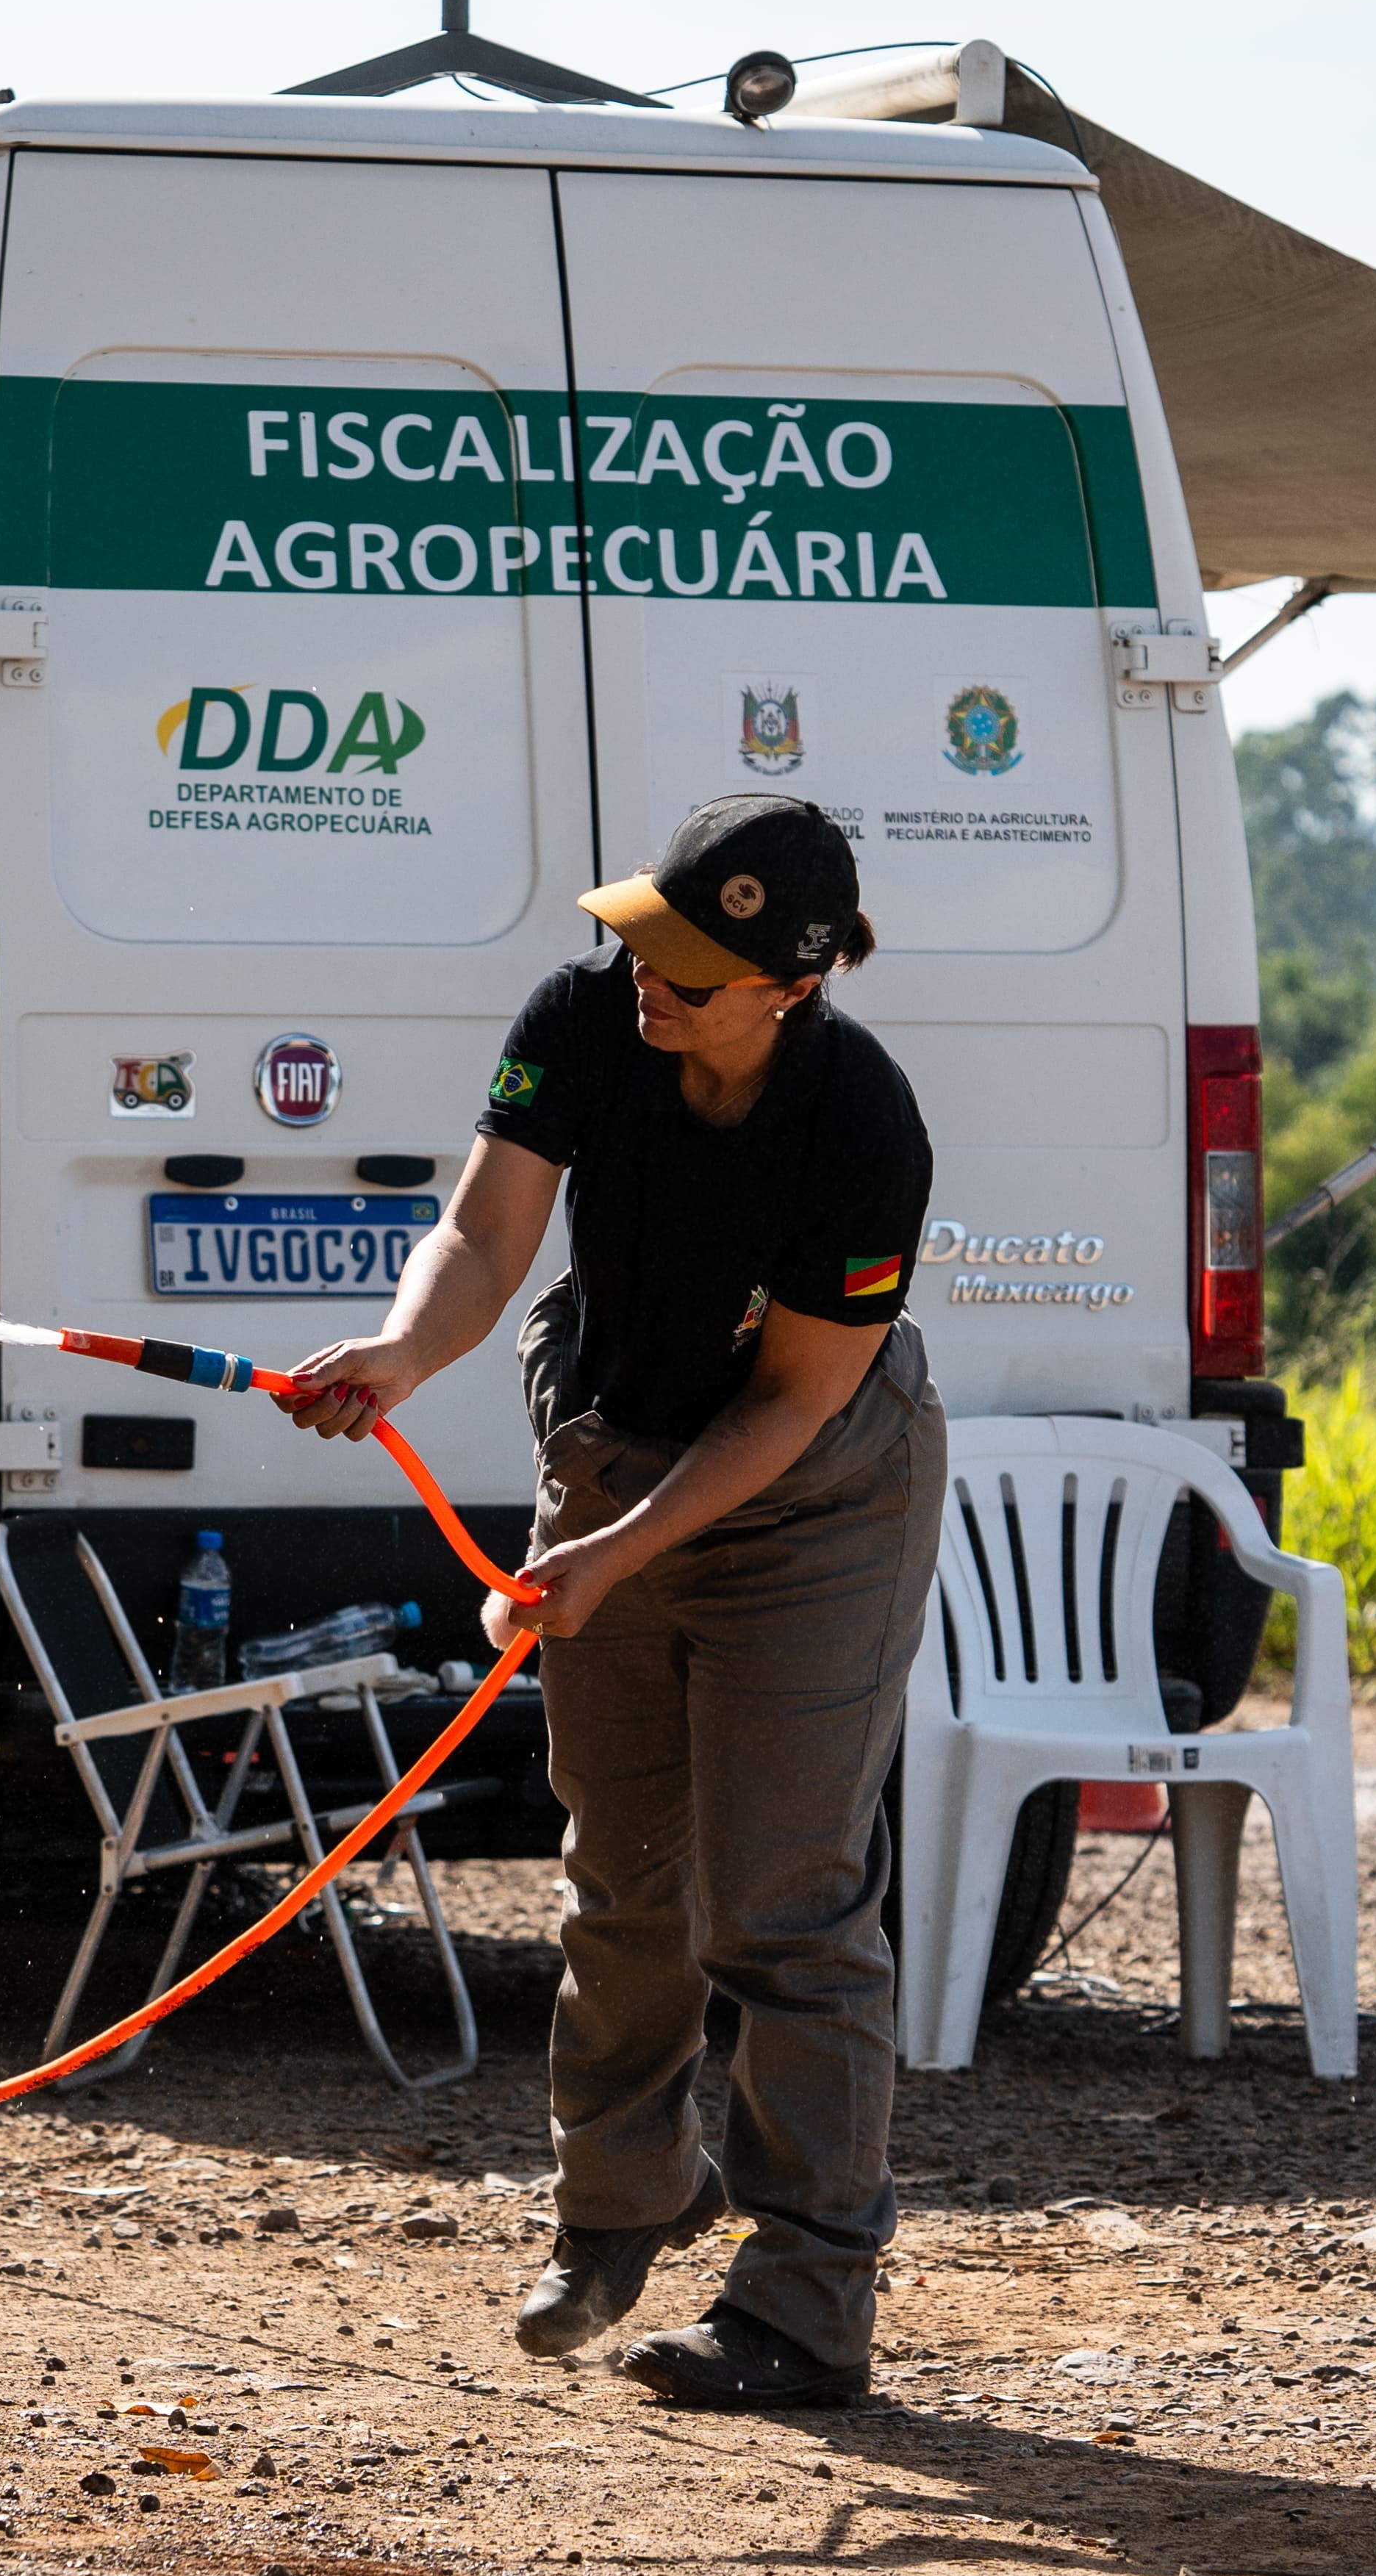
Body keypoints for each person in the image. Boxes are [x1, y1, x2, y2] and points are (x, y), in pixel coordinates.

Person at [276, 795, 941, 2410]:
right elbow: (484, 1227)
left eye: (692, 967)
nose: (648, 977)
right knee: (620, 1881)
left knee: (780, 1903)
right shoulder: (583, 1015)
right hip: (614, 1448)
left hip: (809, 1505)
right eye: (643, 937)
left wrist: (614, 1550)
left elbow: (789, 1403)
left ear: (790, 980)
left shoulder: (864, 1125)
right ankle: (622, 2205)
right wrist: (401, 1349)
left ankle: (802, 2304)